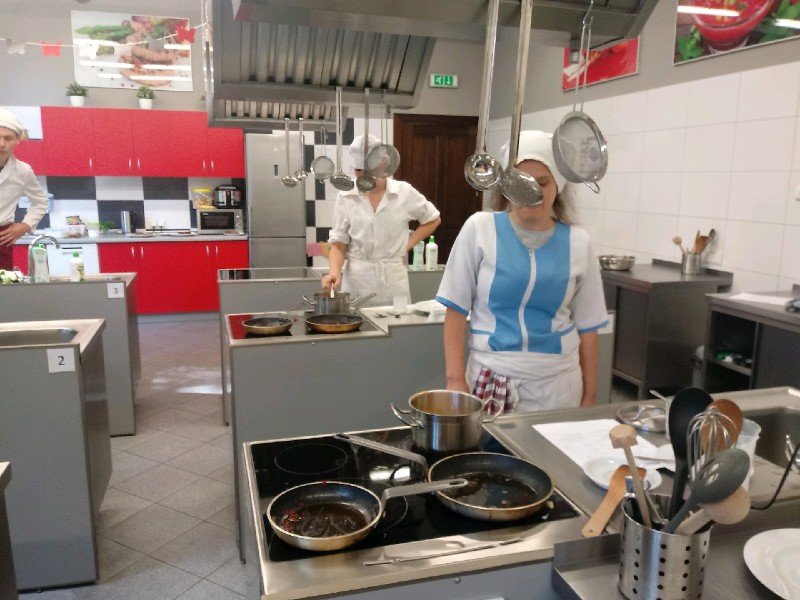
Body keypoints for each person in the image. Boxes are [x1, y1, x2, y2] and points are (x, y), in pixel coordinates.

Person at [436, 130, 607, 413]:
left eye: (543, 182)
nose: (532, 193)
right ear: (505, 184)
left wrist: (589, 397)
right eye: (520, 182)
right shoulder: (480, 229)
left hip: (558, 386)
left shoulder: (578, 243)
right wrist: (455, 380)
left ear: (558, 185)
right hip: (491, 379)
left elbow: (588, 327)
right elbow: (455, 309)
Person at [322, 134, 441, 306]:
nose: (363, 176)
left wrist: (406, 246)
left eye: (368, 170)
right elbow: (339, 242)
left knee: (397, 320)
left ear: (384, 163)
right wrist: (334, 272)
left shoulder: (403, 192)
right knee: (357, 321)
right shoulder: (346, 195)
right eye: (358, 170)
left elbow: (433, 219)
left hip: (393, 279)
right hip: (358, 280)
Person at [0, 108, 49, 269]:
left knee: (3, 282)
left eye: (8, 138)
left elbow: (41, 201)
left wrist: (25, 225)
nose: (2, 144)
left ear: (17, 140)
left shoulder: (22, 171)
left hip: (2, 238)